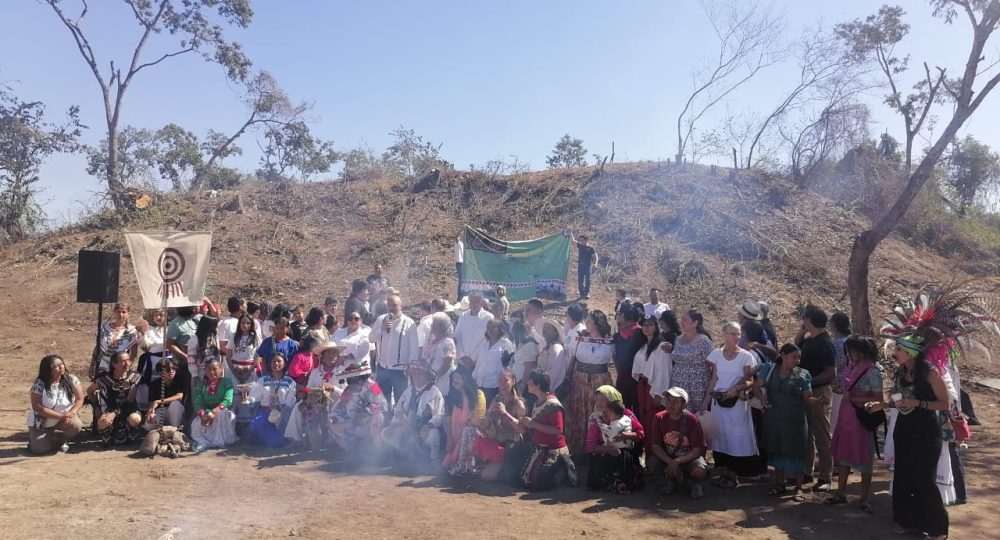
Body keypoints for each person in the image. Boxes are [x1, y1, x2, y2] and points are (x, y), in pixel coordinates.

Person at [865, 334, 950, 540]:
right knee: (904, 475)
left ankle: (937, 528)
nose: (895, 353)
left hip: (926, 431)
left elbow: (945, 404)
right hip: (904, 429)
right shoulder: (901, 372)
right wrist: (883, 405)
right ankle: (909, 521)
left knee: (923, 477)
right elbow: (898, 399)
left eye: (899, 350)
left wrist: (918, 403)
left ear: (911, 352)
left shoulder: (931, 374)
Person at [496, 369, 578, 491]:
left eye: (531, 382)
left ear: (538, 385)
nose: (528, 383)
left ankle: (561, 471)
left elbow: (558, 430)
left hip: (553, 450)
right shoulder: (538, 402)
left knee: (538, 483)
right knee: (519, 478)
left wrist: (533, 424)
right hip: (538, 449)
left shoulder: (553, 405)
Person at [827, 336, 882, 512]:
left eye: (853, 351)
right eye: (849, 351)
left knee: (864, 458)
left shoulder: (873, 372)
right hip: (847, 417)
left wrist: (854, 398)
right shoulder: (851, 366)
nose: (850, 354)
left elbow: (878, 398)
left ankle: (864, 498)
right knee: (843, 457)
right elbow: (845, 386)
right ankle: (840, 492)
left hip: (861, 420)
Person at [756, 344, 814, 502]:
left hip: (796, 420)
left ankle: (798, 487)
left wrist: (818, 401)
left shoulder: (803, 374)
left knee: (797, 451)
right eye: (794, 357)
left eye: (799, 357)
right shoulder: (768, 369)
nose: (797, 360)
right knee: (777, 450)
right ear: (782, 355)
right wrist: (762, 398)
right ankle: (779, 483)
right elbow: (757, 386)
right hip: (774, 419)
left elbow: (807, 397)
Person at [705, 322, 758, 488]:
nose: (737, 337)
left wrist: (737, 389)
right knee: (721, 438)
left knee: (735, 440)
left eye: (738, 334)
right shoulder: (716, 354)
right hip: (719, 403)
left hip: (736, 405)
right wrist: (705, 403)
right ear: (724, 334)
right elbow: (714, 378)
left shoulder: (746, 356)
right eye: (733, 334)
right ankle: (724, 473)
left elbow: (750, 379)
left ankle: (733, 475)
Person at [795, 305, 836, 491]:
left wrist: (808, 382)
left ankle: (825, 476)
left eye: (805, 319)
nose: (803, 322)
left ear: (809, 320)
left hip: (819, 392)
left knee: (821, 434)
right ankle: (807, 471)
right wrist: (801, 333)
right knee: (805, 433)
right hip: (807, 391)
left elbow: (830, 373)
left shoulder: (825, 343)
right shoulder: (810, 340)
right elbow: (796, 347)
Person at [564, 310, 615, 456]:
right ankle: (580, 449)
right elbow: (573, 358)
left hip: (600, 382)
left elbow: (616, 362)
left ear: (597, 323)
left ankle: (598, 450)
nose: (586, 323)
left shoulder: (609, 342)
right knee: (579, 415)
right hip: (579, 382)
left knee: (597, 413)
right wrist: (568, 376)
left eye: (589, 321)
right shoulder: (580, 338)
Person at [649, 387, 709, 499]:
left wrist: (677, 462)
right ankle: (669, 480)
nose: (670, 404)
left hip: (688, 459)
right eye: (668, 400)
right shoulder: (659, 418)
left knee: (699, 470)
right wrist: (671, 462)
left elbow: (698, 450)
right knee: (652, 463)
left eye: (675, 401)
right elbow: (655, 446)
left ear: (684, 405)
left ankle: (693, 483)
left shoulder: (692, 420)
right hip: (668, 457)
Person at [382, 360, 446, 463]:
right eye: (414, 373)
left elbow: (439, 415)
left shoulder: (434, 392)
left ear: (427, 376)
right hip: (408, 426)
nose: (416, 376)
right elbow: (398, 410)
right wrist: (393, 426)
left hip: (425, 429)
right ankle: (403, 458)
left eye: (420, 374)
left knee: (433, 436)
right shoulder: (409, 390)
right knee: (386, 432)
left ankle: (433, 461)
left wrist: (428, 426)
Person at [585, 385, 645, 494]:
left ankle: (622, 484)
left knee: (623, 455)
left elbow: (640, 434)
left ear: (612, 399)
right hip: (605, 452)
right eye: (597, 400)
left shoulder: (626, 414)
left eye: (602, 399)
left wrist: (625, 435)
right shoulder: (595, 418)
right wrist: (608, 449)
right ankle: (606, 483)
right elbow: (590, 446)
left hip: (623, 452)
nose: (599, 403)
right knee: (595, 458)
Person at [284, 342, 344, 447]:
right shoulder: (316, 371)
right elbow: (309, 387)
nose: (332, 356)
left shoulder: (342, 371)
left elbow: (346, 393)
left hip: (336, 403)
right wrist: (304, 393)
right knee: (298, 407)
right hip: (317, 401)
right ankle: (296, 439)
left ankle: (336, 440)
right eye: (329, 353)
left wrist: (333, 388)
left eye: (334, 353)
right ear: (323, 356)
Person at [371, 293, 419, 414]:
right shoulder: (381, 319)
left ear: (401, 306)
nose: (392, 307)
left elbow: (414, 348)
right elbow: (371, 338)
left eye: (395, 305)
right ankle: (384, 424)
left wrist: (411, 367)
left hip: (400, 370)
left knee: (400, 401)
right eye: (390, 305)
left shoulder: (409, 323)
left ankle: (398, 427)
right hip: (383, 368)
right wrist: (381, 330)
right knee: (382, 401)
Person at [475, 369, 526, 481]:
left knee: (489, 476)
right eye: (500, 381)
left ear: (513, 381)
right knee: (473, 440)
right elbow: (484, 426)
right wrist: (489, 412)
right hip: (497, 443)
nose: (502, 384)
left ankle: (504, 470)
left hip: (512, 445)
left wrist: (505, 413)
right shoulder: (496, 399)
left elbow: (522, 430)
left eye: (505, 381)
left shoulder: (518, 404)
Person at [329, 359, 388, 454]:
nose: (351, 382)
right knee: (334, 423)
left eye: (354, 379)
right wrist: (333, 418)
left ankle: (376, 449)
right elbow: (338, 408)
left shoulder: (373, 386)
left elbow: (383, 405)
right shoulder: (348, 391)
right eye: (350, 380)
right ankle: (351, 448)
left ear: (361, 378)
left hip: (370, 421)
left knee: (378, 417)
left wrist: (367, 412)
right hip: (353, 423)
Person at [27, 355, 84, 454]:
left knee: (76, 425)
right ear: (48, 369)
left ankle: (60, 440)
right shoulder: (39, 383)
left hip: (65, 418)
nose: (61, 367)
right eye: (56, 366)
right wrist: (61, 416)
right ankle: (38, 441)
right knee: (40, 450)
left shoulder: (71, 379)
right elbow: (37, 406)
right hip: (43, 421)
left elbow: (80, 398)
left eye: (62, 364)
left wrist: (72, 413)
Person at [633, 315, 671, 454]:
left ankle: (656, 455)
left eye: (650, 324)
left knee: (654, 422)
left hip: (653, 388)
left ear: (656, 327)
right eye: (644, 325)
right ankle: (649, 454)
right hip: (642, 386)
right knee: (645, 420)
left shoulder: (662, 347)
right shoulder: (644, 346)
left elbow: (664, 372)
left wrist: (659, 394)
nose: (646, 327)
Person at [88, 351, 143, 446]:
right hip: (110, 410)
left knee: (135, 418)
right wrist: (96, 407)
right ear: (114, 364)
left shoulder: (135, 377)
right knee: (103, 422)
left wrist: (114, 414)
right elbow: (89, 391)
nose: (127, 363)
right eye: (123, 361)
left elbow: (128, 402)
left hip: (129, 410)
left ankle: (130, 436)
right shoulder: (104, 378)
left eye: (128, 360)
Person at [443, 369, 487, 475]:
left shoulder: (478, 394)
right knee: (445, 464)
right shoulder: (453, 398)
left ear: (465, 379)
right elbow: (447, 420)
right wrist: (449, 438)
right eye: (453, 379)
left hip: (477, 432)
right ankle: (460, 463)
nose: (454, 381)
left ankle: (463, 465)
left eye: (457, 378)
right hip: (457, 435)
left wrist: (465, 426)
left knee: (467, 430)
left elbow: (479, 419)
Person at [249, 352, 297, 447]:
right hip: (266, 412)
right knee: (255, 427)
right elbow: (255, 396)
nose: (276, 364)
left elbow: (290, 401)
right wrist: (249, 398)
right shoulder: (263, 380)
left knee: (276, 441)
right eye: (273, 361)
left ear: (285, 363)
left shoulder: (289, 381)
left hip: (283, 413)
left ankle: (278, 436)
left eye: (279, 361)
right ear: (269, 364)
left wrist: (281, 413)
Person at [190, 358, 238, 452]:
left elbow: (228, 401)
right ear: (205, 370)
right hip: (207, 413)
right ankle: (205, 442)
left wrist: (214, 412)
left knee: (221, 414)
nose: (211, 372)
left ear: (221, 369)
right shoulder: (201, 385)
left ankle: (221, 441)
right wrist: (203, 415)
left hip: (223, 410)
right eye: (209, 369)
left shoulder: (226, 382)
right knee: (196, 424)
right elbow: (198, 402)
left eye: (214, 369)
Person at [672, 310, 715, 414]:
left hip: (697, 387)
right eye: (681, 319)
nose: (682, 322)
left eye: (685, 320)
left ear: (695, 323)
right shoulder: (678, 339)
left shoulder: (704, 340)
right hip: (678, 385)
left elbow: (715, 365)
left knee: (695, 420)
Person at [470, 319, 516, 404]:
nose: (490, 329)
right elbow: (478, 362)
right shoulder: (484, 342)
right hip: (479, 383)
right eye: (488, 327)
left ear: (499, 329)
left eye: (493, 327)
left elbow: (511, 364)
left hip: (494, 385)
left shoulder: (506, 344)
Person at [90, 302, 140, 378]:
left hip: (121, 365)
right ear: (114, 312)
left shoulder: (132, 331)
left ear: (128, 314)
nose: (121, 314)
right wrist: (92, 365)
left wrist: (127, 366)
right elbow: (98, 348)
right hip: (103, 364)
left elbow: (133, 354)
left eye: (123, 312)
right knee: (102, 386)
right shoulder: (104, 328)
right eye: (118, 312)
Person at [135, 308, 169, 410]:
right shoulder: (148, 329)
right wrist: (142, 333)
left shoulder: (170, 329)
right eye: (156, 315)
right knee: (147, 384)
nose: (158, 317)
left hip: (167, 360)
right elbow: (145, 346)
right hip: (152, 361)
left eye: (161, 315)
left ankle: (163, 407)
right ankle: (145, 409)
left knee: (165, 382)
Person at [142, 357, 187, 431]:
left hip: (175, 411)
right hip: (161, 410)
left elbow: (179, 396)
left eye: (174, 369)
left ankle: (174, 429)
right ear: (161, 371)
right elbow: (152, 403)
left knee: (175, 404)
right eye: (168, 370)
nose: (172, 372)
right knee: (148, 425)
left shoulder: (179, 380)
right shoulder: (155, 384)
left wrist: (159, 401)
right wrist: (150, 413)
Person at [612, 305, 644, 411]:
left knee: (637, 407)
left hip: (639, 379)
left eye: (627, 319)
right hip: (622, 377)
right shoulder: (617, 336)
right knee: (622, 407)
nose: (624, 322)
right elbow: (615, 356)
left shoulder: (642, 334)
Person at [420, 312, 457, 397]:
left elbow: (447, 364)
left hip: (440, 380)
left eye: (434, 324)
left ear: (440, 327)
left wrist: (435, 377)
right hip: (428, 378)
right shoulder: (432, 339)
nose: (431, 326)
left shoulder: (448, 343)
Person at [454, 290, 495, 361]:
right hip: (462, 360)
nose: (474, 304)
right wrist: (462, 356)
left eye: (476, 302)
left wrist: (473, 358)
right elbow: (458, 336)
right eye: (472, 302)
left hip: (479, 361)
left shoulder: (488, 318)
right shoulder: (463, 316)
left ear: (481, 302)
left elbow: (487, 339)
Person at [828, 311, 851, 430]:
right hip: (851, 385)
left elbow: (834, 365)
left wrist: (834, 384)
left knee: (836, 422)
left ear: (835, 325)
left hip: (838, 387)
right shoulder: (851, 341)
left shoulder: (835, 344)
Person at [536, 318, 568, 403]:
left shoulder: (556, 348)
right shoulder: (546, 346)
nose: (545, 330)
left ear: (555, 332)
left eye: (548, 328)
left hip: (551, 391)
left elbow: (553, 374)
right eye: (544, 327)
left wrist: (548, 392)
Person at [228, 313, 260, 387]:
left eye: (248, 323)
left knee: (250, 395)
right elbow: (228, 356)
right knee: (236, 394)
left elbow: (258, 358)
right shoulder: (234, 336)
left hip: (250, 370)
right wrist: (234, 372)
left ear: (251, 324)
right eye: (243, 323)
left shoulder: (255, 338)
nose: (245, 325)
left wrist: (248, 372)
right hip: (235, 369)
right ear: (239, 324)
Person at [186, 315, 222, 379]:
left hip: (215, 371)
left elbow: (218, 354)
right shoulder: (194, 340)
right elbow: (191, 359)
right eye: (214, 326)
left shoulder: (215, 337)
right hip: (201, 373)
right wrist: (195, 375)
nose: (216, 328)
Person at [572, 234, 597, 299]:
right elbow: (573, 241)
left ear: (587, 240)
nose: (581, 241)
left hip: (588, 266)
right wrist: (571, 234)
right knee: (580, 280)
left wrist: (595, 264)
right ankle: (581, 293)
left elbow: (595, 257)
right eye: (580, 240)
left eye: (582, 240)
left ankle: (587, 292)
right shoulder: (580, 245)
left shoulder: (591, 248)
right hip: (580, 266)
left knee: (588, 280)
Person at [453, 233, 464, 301]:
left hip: (461, 263)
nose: (456, 239)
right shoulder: (456, 244)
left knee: (462, 280)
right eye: (455, 238)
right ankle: (459, 297)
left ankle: (461, 296)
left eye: (457, 237)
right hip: (458, 263)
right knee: (460, 280)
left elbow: (463, 253)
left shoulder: (461, 244)